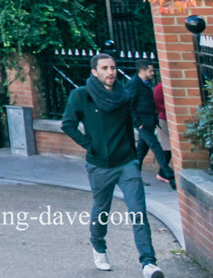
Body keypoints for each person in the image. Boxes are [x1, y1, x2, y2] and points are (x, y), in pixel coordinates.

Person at [62, 52, 164, 277]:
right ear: (94, 72)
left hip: (126, 163)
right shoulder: (82, 95)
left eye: (113, 67)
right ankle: (98, 245)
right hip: (100, 166)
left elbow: (131, 126)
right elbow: (67, 124)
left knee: (138, 211)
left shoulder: (123, 94)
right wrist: (91, 145)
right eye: (105, 68)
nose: (110, 72)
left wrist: (135, 157)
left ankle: (148, 262)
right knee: (102, 211)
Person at [132, 61, 175, 188]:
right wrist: (138, 123)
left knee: (141, 152)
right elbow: (129, 105)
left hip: (149, 121)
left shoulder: (145, 84)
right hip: (143, 124)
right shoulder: (134, 84)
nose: (153, 73)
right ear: (142, 71)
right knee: (156, 147)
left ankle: (134, 179)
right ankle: (170, 177)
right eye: (150, 71)